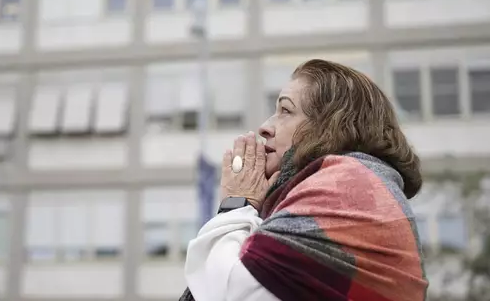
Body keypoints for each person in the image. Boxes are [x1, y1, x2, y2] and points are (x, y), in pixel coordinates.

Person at [180, 59, 428, 301]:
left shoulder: (347, 185)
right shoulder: (356, 183)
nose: (265, 127)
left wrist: (237, 203)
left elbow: (229, 292)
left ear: (330, 125)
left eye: (285, 111)